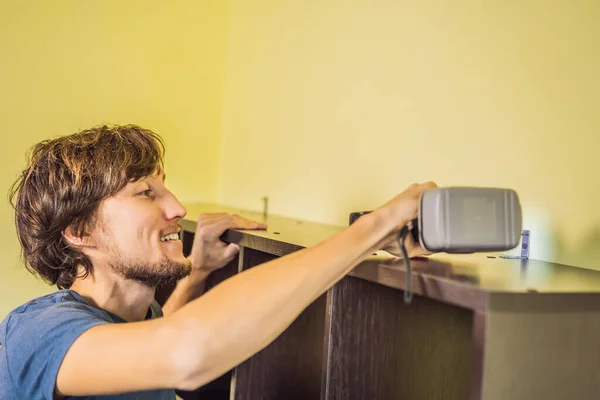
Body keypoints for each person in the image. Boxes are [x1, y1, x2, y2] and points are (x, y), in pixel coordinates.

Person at [0, 124, 436, 399]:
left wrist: (199, 271)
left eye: (165, 187)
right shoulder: (40, 332)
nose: (177, 208)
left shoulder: (132, 319)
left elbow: (156, 343)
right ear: (79, 232)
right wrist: (374, 227)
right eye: (145, 193)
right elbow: (184, 352)